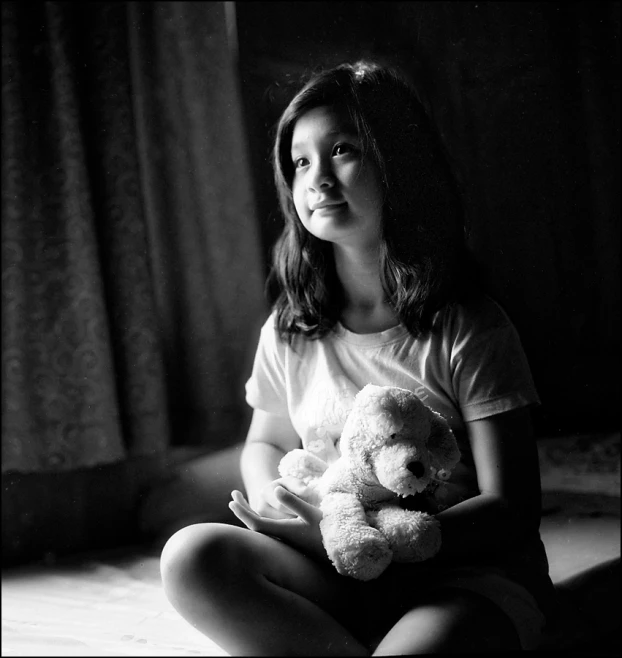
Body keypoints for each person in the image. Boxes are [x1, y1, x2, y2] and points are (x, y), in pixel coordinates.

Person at [160, 60, 558, 655]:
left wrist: (372, 542)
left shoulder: (467, 326)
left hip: (460, 578)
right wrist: (277, 502)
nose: (318, 177)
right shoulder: (291, 329)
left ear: (399, 163)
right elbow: (264, 444)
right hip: (333, 569)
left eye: (342, 150)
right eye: (301, 161)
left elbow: (512, 505)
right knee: (191, 556)